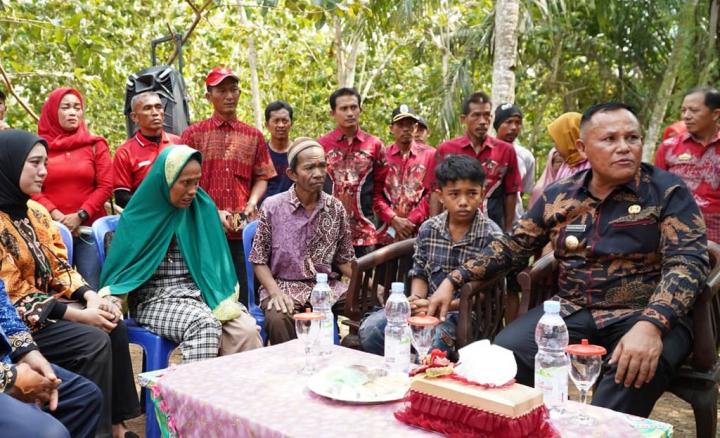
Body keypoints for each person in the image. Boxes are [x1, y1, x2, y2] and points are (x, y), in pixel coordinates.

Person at [428, 103, 710, 418]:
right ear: (582, 147)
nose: (624, 148)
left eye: (632, 138)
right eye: (610, 139)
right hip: (572, 309)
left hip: (647, 314)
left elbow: (688, 262)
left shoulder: (666, 191)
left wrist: (652, 324)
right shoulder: (559, 195)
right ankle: (527, 425)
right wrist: (454, 279)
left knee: (628, 373)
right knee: (506, 353)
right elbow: (513, 247)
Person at [0, 129, 140, 438]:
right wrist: (79, 315)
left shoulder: (36, 211)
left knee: (113, 323)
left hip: (47, 312)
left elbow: (61, 267)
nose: (44, 171)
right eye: (34, 163)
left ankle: (117, 424)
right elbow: (10, 295)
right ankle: (94, 431)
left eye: (45, 163)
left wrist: (90, 297)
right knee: (92, 341)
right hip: (22, 320)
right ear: (8, 165)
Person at [100, 145, 262, 362]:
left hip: (202, 294)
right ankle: (188, 394)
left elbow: (214, 265)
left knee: (247, 330)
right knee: (204, 325)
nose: (193, 190)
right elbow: (123, 271)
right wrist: (114, 299)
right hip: (155, 299)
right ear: (165, 181)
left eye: (196, 182)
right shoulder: (140, 216)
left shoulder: (201, 209)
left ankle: (233, 394)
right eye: (185, 183)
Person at [360, 155, 503, 355]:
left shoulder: (492, 235)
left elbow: (485, 293)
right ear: (441, 196)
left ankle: (422, 373)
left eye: (471, 193)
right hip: (426, 307)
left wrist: (436, 307)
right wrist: (418, 300)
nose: (463, 202)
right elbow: (419, 271)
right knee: (371, 331)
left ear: (482, 194)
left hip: (465, 313)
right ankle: (404, 368)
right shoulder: (429, 228)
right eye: (454, 194)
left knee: (434, 345)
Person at [180, 67, 276, 307]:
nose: (229, 96)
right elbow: (183, 180)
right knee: (207, 291)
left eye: (233, 90)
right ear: (208, 96)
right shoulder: (193, 135)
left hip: (241, 227)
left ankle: (245, 340)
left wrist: (250, 206)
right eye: (221, 91)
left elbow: (263, 175)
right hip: (203, 226)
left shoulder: (253, 135)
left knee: (243, 290)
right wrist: (211, 211)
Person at [250, 138, 355, 345]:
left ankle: (351, 356)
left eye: (322, 165)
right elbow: (258, 259)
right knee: (279, 318)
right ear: (292, 174)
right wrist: (275, 292)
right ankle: (292, 373)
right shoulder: (272, 207)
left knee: (376, 305)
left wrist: (371, 286)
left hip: (327, 288)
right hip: (284, 286)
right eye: (309, 167)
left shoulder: (335, 208)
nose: (318, 173)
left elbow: (344, 259)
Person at [0, 279, 103, 438]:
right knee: (50, 432)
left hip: (9, 356)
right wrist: (8, 378)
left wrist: (27, 352)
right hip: (32, 318)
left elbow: (3, 308)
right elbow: (18, 291)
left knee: (84, 396)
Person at [32, 87, 113, 290]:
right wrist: (56, 215)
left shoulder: (96, 144)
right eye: (66, 107)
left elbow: (105, 186)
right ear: (53, 112)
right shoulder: (38, 147)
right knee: (55, 292)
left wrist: (80, 215)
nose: (73, 112)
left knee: (92, 288)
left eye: (77, 107)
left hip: (88, 230)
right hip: (49, 230)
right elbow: (32, 188)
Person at [432, 92, 521, 233]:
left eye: (486, 115)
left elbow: (511, 192)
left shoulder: (506, 151)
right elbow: (435, 190)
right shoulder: (446, 149)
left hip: (492, 226)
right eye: (476, 115)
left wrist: (508, 230)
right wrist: (434, 227)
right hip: (452, 227)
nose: (482, 121)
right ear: (463, 119)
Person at [317, 87, 387, 257]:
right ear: (333, 113)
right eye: (343, 108)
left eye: (354, 107)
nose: (350, 113)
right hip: (329, 230)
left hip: (366, 232)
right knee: (329, 281)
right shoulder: (321, 145)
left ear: (360, 110)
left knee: (368, 283)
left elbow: (381, 189)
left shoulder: (374, 145)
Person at [655, 87, 720, 243]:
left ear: (715, 114)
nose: (686, 116)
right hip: (674, 233)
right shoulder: (669, 147)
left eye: (693, 110)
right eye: (683, 110)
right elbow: (655, 191)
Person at [374, 105, 436, 243]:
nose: (406, 129)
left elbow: (432, 193)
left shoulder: (430, 155)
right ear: (391, 128)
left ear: (415, 128)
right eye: (400, 125)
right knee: (382, 262)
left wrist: (410, 221)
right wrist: (393, 218)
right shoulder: (383, 155)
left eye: (410, 125)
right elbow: (375, 193)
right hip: (386, 228)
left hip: (418, 229)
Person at [112, 91, 182, 208]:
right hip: (146, 218)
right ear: (134, 117)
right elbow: (121, 197)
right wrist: (157, 205)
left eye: (158, 107)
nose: (155, 113)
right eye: (147, 108)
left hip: (179, 214)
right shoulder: (125, 152)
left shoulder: (178, 143)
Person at [493, 103, 536, 223]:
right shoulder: (485, 152)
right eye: (508, 122)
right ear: (498, 125)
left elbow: (520, 191)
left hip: (514, 222)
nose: (513, 127)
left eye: (517, 123)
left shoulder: (526, 157)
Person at [262, 100, 294, 200]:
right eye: (276, 121)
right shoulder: (260, 152)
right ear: (267, 125)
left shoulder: (299, 152)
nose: (281, 125)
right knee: (236, 216)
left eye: (284, 121)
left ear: (291, 124)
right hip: (264, 210)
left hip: (294, 209)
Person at [549, 112, 591, 180]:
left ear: (569, 139)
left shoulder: (593, 167)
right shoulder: (566, 166)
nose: (555, 147)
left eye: (556, 141)